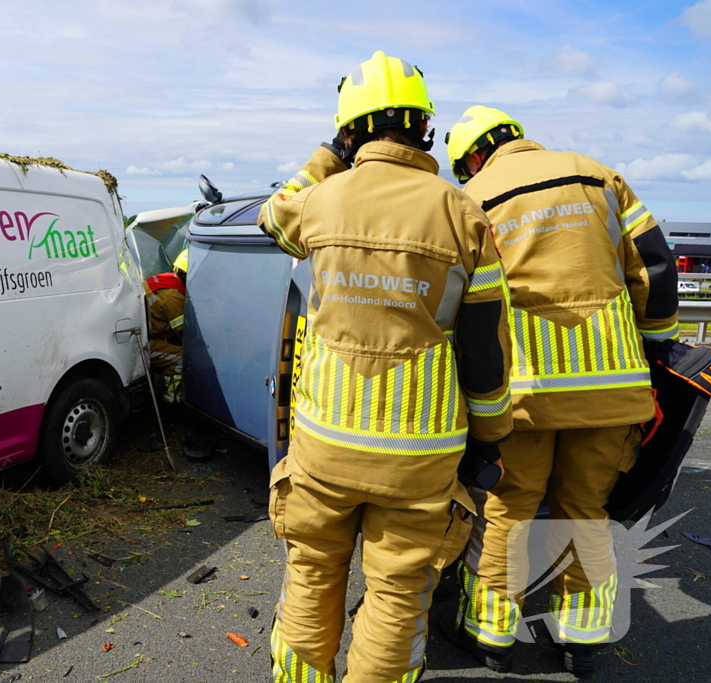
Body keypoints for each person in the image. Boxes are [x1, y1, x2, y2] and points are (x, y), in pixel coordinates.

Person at [259, 52, 513, 683]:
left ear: (348, 134)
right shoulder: (463, 215)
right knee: (399, 596)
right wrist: (490, 441)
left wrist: (327, 157)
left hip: (323, 447)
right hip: (422, 456)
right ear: (426, 129)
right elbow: (484, 350)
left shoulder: (318, 202)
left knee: (312, 574)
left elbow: (272, 212)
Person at [443, 106, 679, 677]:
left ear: (472, 156)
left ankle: (491, 633)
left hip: (525, 394)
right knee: (585, 510)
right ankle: (585, 638)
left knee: (508, 510)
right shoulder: (598, 176)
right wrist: (655, 347)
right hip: (611, 391)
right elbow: (654, 268)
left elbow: (463, 300)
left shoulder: (472, 197)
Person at [143, 249, 188, 402]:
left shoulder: (163, 279)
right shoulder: (173, 295)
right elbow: (184, 335)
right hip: (145, 345)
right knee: (183, 356)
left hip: (142, 334)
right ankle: (171, 400)